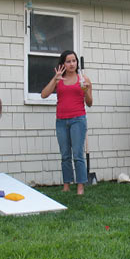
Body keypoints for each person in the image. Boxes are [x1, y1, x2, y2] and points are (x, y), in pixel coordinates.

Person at [41, 50, 93, 195]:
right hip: (61, 121)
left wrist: (87, 91)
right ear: (63, 64)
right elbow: (44, 94)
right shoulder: (59, 80)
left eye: (74, 61)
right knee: (65, 155)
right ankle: (66, 185)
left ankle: (80, 186)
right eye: (68, 61)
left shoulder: (84, 79)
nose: (72, 64)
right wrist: (55, 79)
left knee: (77, 154)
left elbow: (89, 103)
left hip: (78, 120)